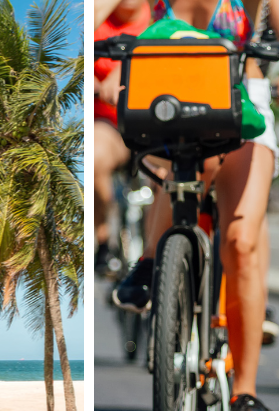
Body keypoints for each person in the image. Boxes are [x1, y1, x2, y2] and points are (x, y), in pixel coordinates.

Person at [103, 0, 279, 411]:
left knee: (241, 242)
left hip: (241, 102)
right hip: (174, 99)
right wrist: (114, 65)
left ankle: (245, 392)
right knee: (179, 174)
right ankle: (151, 262)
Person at [93, 0, 153, 274]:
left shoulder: (158, 13)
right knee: (94, 156)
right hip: (109, 125)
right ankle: (103, 239)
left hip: (153, 123)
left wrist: (122, 72)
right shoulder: (97, 14)